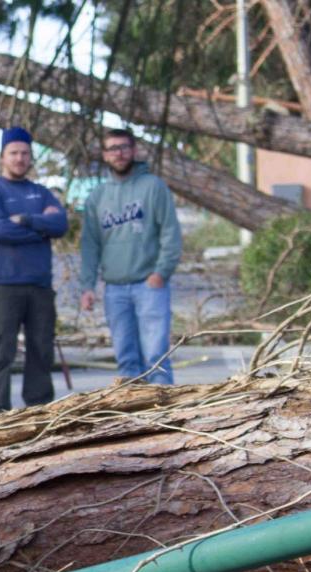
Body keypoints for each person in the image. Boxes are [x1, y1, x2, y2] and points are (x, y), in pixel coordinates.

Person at [0, 125, 68, 415]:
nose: (19, 158)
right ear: (2, 157)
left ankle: (39, 415)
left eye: (25, 153)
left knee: (41, 351)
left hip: (39, 287)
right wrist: (41, 228)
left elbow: (61, 225)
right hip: (2, 286)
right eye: (13, 153)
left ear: (31, 157)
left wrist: (25, 219)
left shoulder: (41, 193)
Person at [79, 128, 183, 385]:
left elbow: (170, 233)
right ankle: (132, 420)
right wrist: (87, 286)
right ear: (104, 155)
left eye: (124, 147)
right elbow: (90, 245)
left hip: (149, 285)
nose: (119, 153)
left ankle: (164, 417)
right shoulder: (97, 196)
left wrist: (161, 272)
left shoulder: (153, 186)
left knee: (156, 357)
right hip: (115, 290)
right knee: (126, 360)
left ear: (134, 150)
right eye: (112, 148)